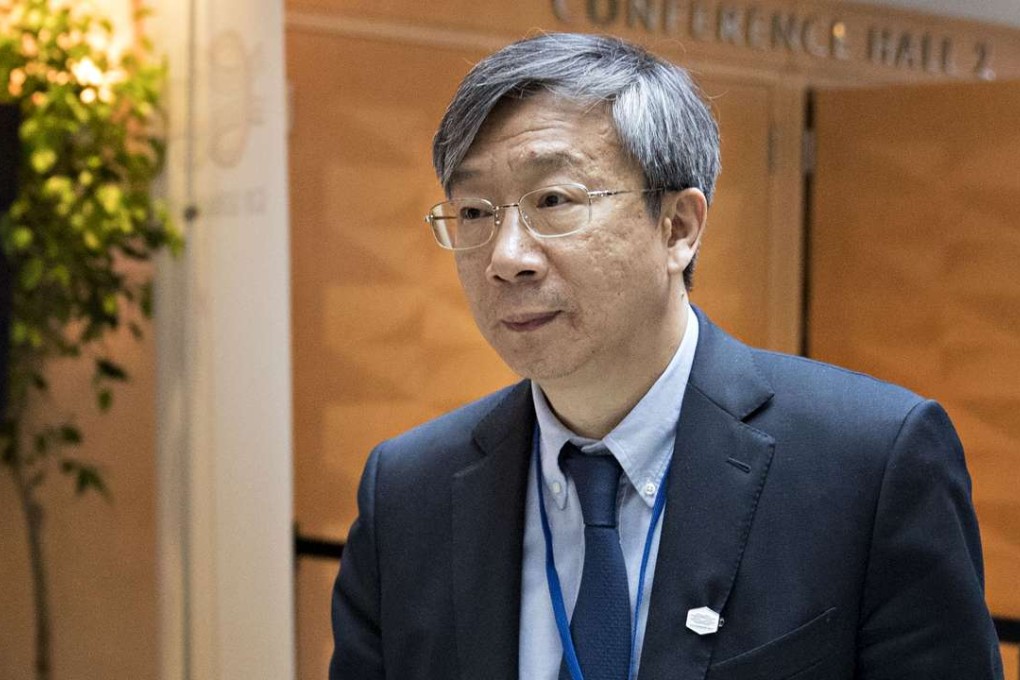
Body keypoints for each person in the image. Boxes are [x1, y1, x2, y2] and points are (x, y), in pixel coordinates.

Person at [330, 32, 1002, 680]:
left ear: (677, 227)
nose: (506, 258)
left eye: (555, 201)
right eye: (474, 212)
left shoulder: (868, 465)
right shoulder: (408, 491)